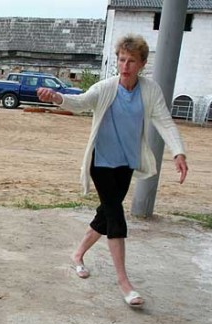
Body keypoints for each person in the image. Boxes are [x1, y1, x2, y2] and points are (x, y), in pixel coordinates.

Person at [36, 34, 188, 308]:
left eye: (131, 61)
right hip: (102, 163)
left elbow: (164, 121)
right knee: (116, 216)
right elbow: (80, 102)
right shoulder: (106, 87)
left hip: (125, 165)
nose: (125, 65)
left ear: (142, 64)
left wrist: (178, 151)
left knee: (106, 214)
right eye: (121, 59)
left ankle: (78, 254)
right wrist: (56, 97)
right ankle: (125, 283)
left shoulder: (149, 91)